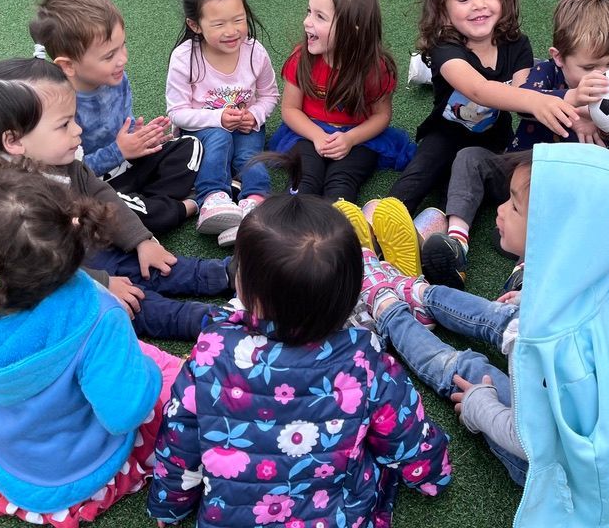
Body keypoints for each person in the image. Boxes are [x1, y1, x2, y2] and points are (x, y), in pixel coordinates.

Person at [363, 145, 609, 525]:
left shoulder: (538, 342)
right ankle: (419, 294)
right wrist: (528, 298)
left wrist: (478, 406)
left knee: (469, 367)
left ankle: (387, 308)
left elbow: (527, 440)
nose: (500, 210)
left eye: (514, 208)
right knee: (506, 314)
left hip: (563, 471)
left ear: (557, 234)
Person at [147, 193, 452, 527]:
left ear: (246, 290)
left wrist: (169, 505)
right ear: (350, 294)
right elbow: (405, 433)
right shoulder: (365, 361)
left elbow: (180, 441)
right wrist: (431, 474)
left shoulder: (211, 352)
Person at [0, 157, 184, 527]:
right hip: (81, 471)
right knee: (170, 386)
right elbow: (125, 413)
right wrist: (145, 374)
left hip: (11, 464)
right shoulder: (97, 312)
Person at [420, 0, 609, 287]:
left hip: (564, 186)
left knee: (581, 207)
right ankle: (457, 241)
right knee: (469, 158)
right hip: (519, 166)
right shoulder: (545, 73)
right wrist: (572, 101)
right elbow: (525, 103)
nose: (602, 75)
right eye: (588, 67)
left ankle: (527, 268)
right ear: (558, 57)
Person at [0, 58, 232, 340]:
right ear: (14, 141)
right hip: (55, 284)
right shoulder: (7, 204)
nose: (77, 130)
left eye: (74, 118)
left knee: (154, 263)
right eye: (64, 124)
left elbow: (103, 194)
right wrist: (102, 284)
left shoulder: (62, 161)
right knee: (131, 303)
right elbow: (42, 270)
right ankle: (212, 323)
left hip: (88, 252)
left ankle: (227, 274)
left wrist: (141, 240)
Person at [387, 0, 580, 214]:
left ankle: (440, 236)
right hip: (444, 135)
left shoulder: (517, 45)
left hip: (493, 142)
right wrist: (540, 99)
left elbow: (522, 96)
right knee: (419, 175)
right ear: (444, 12)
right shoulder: (445, 48)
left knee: (460, 194)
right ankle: (375, 224)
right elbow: (479, 90)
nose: (479, 4)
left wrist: (574, 109)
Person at [30, 0, 201, 236]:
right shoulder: (57, 107)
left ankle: (147, 202)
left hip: (129, 166)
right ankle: (186, 206)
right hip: (92, 185)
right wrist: (119, 150)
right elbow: (69, 173)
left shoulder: (117, 79)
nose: (122, 59)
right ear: (68, 65)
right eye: (109, 55)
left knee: (191, 145)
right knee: (110, 213)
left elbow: (124, 122)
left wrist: (140, 137)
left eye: (123, 46)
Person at [268, 0, 412, 203]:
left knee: (341, 180)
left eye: (319, 16)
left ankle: (341, 229)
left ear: (352, 29)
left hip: (360, 137)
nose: (307, 22)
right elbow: (290, 109)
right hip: (306, 132)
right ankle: (288, 222)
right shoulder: (302, 58)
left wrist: (350, 139)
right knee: (306, 177)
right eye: (309, 11)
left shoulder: (375, 68)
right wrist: (317, 136)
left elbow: (381, 115)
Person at [166, 0, 278, 246]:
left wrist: (254, 115)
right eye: (218, 25)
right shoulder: (185, 58)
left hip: (245, 126)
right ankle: (213, 199)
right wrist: (217, 118)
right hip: (201, 129)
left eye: (238, 20)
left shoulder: (255, 53)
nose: (232, 31)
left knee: (249, 155)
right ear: (195, 25)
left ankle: (255, 202)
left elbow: (269, 95)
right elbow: (177, 112)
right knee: (218, 138)